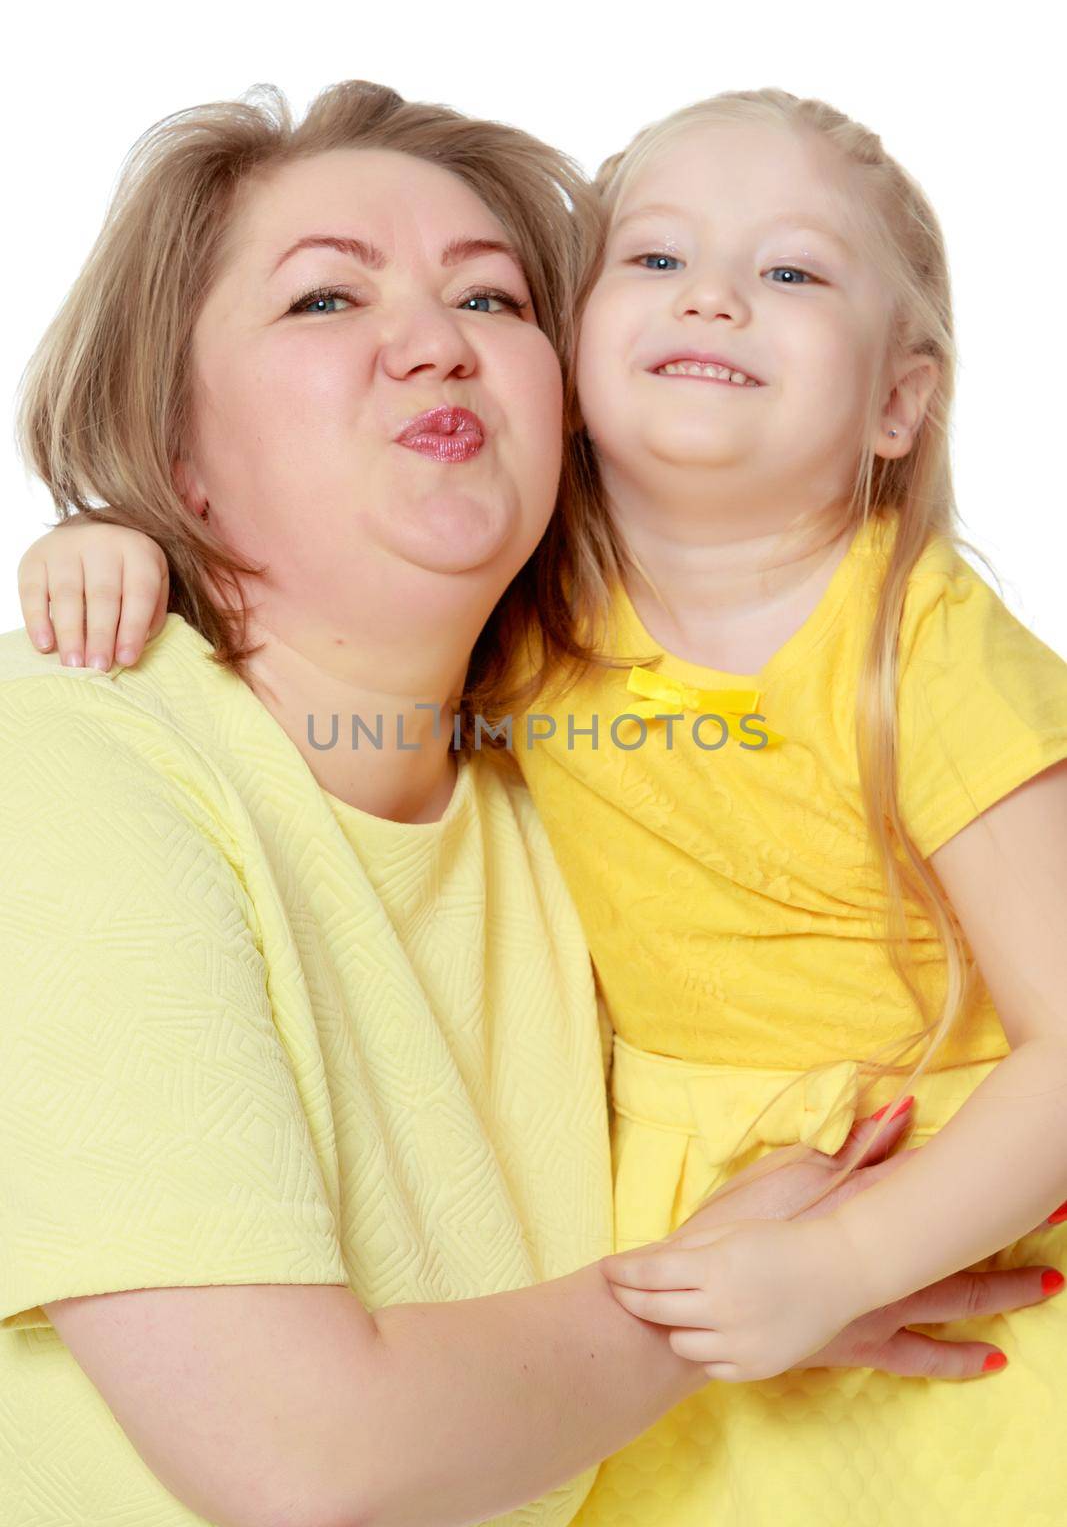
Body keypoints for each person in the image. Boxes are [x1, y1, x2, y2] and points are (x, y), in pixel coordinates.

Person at [9, 82, 1062, 1527]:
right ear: (173, 442)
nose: (435, 341)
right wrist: (728, 1307)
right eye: (324, 300)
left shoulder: (556, 755)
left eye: (493, 300)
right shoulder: (68, 736)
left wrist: (847, 1261)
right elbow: (298, 1464)